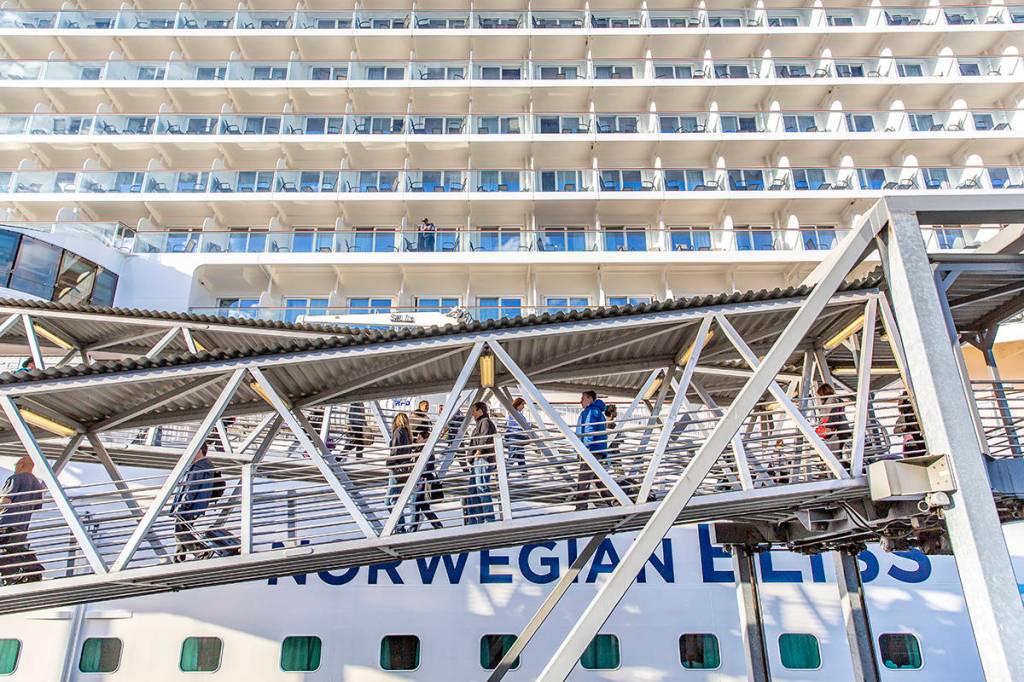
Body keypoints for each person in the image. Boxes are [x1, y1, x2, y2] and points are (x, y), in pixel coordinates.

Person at [0, 456, 45, 584]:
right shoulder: (37, 484)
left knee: (6, 552)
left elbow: (4, 501)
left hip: (6, 523)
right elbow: (36, 506)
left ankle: (12, 576)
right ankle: (29, 573)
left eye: (16, 464)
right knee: (15, 551)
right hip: (22, 527)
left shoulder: (15, 478)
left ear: (21, 464)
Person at [170, 443, 217, 562]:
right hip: (194, 505)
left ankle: (202, 552)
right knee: (181, 530)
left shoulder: (200, 466)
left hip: (190, 506)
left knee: (180, 532)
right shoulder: (203, 465)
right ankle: (179, 558)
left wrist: (183, 505)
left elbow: (191, 487)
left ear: (199, 450)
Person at [408, 401, 442, 532]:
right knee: (423, 505)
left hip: (423, 476)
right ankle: (437, 525)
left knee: (416, 502)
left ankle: (413, 529)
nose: (427, 408)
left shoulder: (424, 448)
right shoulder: (419, 418)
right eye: (425, 406)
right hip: (425, 475)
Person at [574, 390, 608, 509]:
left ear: (589, 399)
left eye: (582, 398)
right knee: (598, 479)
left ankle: (581, 506)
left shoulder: (591, 411)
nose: (580, 401)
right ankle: (616, 502)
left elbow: (588, 430)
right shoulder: (596, 411)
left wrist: (584, 449)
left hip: (591, 450)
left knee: (584, 478)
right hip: (596, 450)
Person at [464, 401, 497, 524]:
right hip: (478, 460)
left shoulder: (485, 422)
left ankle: (488, 518)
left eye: (474, 411)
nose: (472, 413)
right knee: (473, 490)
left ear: (480, 411)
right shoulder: (481, 422)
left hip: (482, 459)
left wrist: (478, 451)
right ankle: (478, 518)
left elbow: (484, 437)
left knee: (481, 487)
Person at [386, 413, 415, 533]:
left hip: (396, 468)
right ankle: (399, 525)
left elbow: (395, 450)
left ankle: (400, 527)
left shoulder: (398, 432)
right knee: (391, 500)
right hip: (403, 468)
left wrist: (390, 463)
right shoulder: (407, 434)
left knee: (391, 501)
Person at [815, 384, 851, 457]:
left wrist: (828, 427)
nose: (818, 397)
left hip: (837, 433)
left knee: (834, 456)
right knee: (839, 454)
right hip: (842, 430)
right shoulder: (836, 399)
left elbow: (833, 416)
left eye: (818, 395)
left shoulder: (830, 401)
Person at [895, 391, 925, 457]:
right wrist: (903, 428)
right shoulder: (902, 417)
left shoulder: (917, 413)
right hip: (910, 443)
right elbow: (896, 431)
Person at [504, 397, 530, 471]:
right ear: (517, 405)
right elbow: (515, 426)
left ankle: (524, 473)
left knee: (520, 456)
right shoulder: (513, 414)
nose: (523, 407)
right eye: (522, 404)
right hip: (515, 437)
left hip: (517, 437)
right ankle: (504, 473)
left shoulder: (517, 413)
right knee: (512, 457)